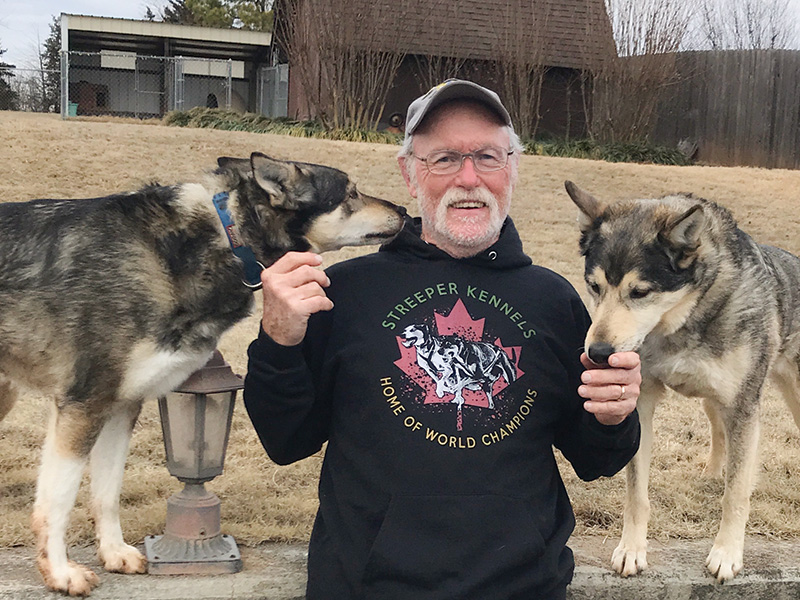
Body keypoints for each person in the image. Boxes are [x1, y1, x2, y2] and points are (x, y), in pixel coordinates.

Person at [244, 79, 641, 599]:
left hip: (521, 587)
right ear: (410, 174)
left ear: (513, 170)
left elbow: (599, 461)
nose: (469, 178)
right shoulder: (342, 292)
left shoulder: (553, 299)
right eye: (445, 159)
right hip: (368, 588)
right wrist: (278, 340)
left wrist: (614, 416)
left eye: (488, 157)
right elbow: (285, 442)